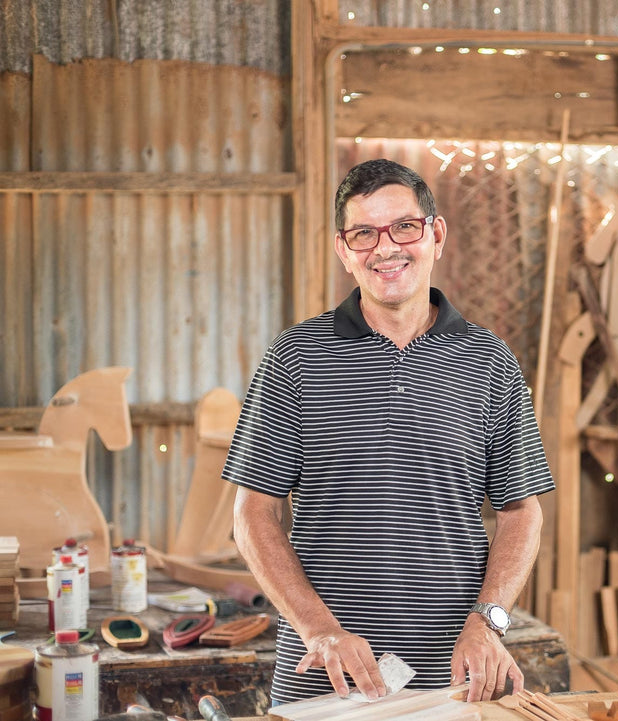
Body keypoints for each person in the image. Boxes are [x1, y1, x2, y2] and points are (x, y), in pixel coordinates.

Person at [223, 158, 554, 705]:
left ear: (436, 235)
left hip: (456, 677)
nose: (385, 248)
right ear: (343, 250)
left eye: (404, 226)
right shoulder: (297, 358)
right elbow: (253, 513)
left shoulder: (489, 361)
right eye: (364, 233)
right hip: (326, 676)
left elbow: (521, 511)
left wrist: (488, 622)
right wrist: (317, 628)